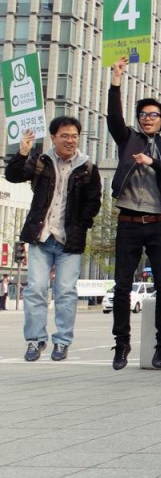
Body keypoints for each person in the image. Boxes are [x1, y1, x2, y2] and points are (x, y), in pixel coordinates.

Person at [107, 56, 161, 370]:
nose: (147, 119)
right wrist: (116, 81)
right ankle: (121, 343)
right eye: (143, 114)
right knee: (122, 286)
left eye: (153, 115)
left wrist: (153, 162)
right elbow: (114, 119)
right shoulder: (129, 139)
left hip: (158, 222)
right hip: (127, 221)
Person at [5, 120, 101, 361]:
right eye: (64, 135)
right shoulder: (40, 162)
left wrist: (82, 225)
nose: (70, 140)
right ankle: (35, 340)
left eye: (74, 135)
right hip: (41, 236)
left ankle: (62, 341)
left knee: (66, 291)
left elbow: (94, 201)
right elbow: (13, 176)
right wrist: (23, 151)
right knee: (36, 288)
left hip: (69, 240)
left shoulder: (87, 167)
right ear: (53, 137)